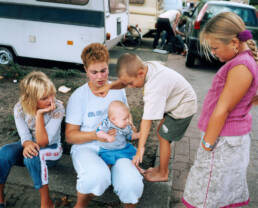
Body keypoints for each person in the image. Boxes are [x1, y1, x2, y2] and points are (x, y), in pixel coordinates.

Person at [182, 12, 258, 207]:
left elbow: (222, 110)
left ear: (234, 42)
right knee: (217, 193)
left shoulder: (241, 66)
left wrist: (207, 144)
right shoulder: (241, 62)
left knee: (206, 195)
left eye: (215, 48)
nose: (213, 53)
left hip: (221, 140)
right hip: (224, 139)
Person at [94, 53, 197, 182]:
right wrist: (110, 86)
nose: (129, 87)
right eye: (128, 84)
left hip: (182, 108)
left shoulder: (154, 88)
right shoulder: (144, 67)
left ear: (141, 73)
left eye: (131, 83)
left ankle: (163, 173)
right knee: (161, 133)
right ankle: (161, 168)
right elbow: (125, 81)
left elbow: (146, 120)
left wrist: (140, 149)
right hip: (176, 100)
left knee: (164, 137)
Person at [65, 43, 143, 208]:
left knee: (132, 184)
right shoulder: (78, 96)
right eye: (94, 72)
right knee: (97, 177)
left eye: (104, 70)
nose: (100, 77)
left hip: (117, 145)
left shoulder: (118, 90)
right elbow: (70, 136)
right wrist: (96, 135)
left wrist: (131, 126)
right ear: (86, 70)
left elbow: (127, 117)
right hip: (88, 146)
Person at [0, 71, 64, 208]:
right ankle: (0, 196)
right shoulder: (20, 108)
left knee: (33, 156)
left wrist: (39, 115)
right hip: (30, 145)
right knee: (4, 152)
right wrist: (28, 143)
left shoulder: (58, 108)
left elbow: (42, 142)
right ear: (32, 99)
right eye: (45, 97)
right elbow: (25, 136)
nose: (51, 100)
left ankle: (46, 202)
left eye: (52, 94)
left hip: (52, 149)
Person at [96, 100, 140, 165]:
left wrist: (139, 135)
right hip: (108, 150)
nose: (127, 121)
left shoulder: (125, 126)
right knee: (107, 160)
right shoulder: (107, 124)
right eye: (124, 119)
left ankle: (136, 167)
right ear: (113, 119)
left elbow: (130, 136)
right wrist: (107, 136)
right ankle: (108, 170)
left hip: (122, 148)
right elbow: (98, 132)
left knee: (134, 155)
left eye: (128, 118)